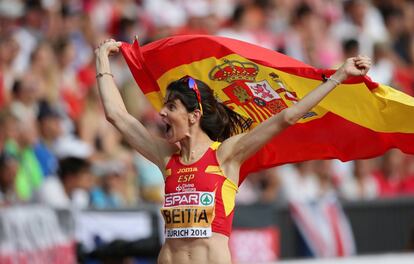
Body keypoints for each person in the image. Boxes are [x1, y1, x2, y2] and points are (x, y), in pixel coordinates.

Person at [95, 38, 371, 264]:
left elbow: (286, 118)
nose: (162, 112)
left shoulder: (226, 155)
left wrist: (338, 77)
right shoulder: (166, 158)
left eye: (171, 107)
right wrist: (102, 59)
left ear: (194, 115)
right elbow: (117, 116)